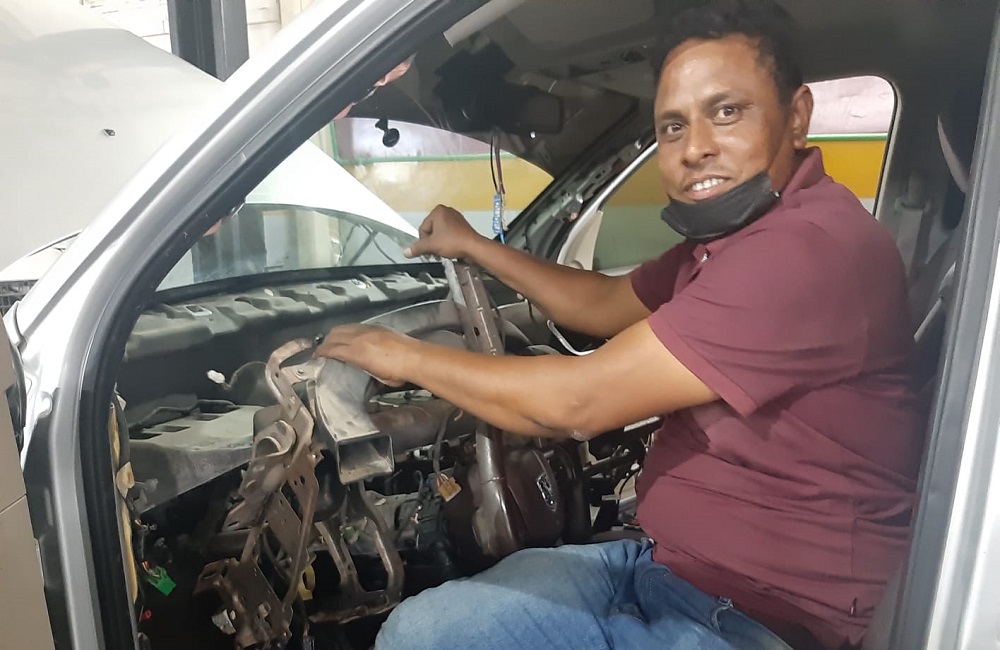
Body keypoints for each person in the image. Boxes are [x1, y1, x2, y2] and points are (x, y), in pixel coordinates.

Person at [315, 1, 921, 648]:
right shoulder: (734, 241)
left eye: (726, 112)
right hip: (671, 568)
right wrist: (474, 246)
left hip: (759, 615)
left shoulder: (805, 252)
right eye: (673, 127)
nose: (695, 149)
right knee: (424, 627)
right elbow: (602, 303)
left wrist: (404, 358)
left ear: (797, 116)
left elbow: (579, 403)